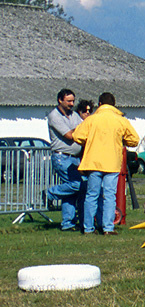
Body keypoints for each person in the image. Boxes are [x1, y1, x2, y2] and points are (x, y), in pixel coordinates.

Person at [69, 92, 140, 236]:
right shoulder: (120, 120)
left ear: (100, 104)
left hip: (93, 162)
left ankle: (88, 228)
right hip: (112, 163)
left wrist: (89, 140)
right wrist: (122, 141)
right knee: (109, 195)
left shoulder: (91, 119)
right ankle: (108, 227)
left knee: (91, 195)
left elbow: (77, 136)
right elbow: (135, 139)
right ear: (114, 105)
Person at [46, 88, 84, 231]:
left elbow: (83, 128)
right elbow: (70, 135)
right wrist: (81, 129)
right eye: (68, 101)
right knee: (77, 185)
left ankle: (68, 223)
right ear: (60, 100)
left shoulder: (74, 115)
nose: (71, 104)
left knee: (71, 191)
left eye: (73, 101)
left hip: (75, 158)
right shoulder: (54, 116)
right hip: (62, 157)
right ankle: (49, 193)